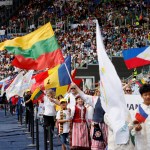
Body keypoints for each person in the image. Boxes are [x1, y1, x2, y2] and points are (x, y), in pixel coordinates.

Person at [131, 84, 150, 150]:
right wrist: (136, 129)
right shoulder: (137, 111)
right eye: (145, 95)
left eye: (149, 94)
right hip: (142, 145)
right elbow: (132, 130)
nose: (148, 97)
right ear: (141, 96)